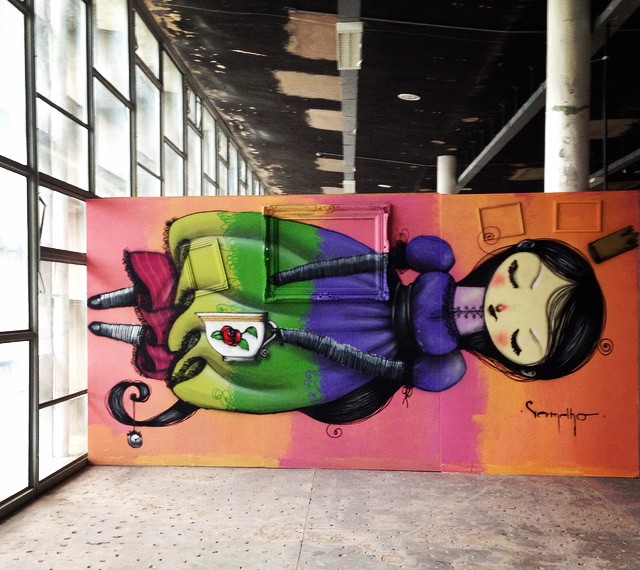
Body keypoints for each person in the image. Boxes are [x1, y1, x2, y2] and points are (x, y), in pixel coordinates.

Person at [88, 211, 605, 426]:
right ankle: (128, 299)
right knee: (236, 272)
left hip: (350, 354)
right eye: (519, 281)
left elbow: (406, 371)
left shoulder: (443, 365)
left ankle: (133, 330)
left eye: (524, 336)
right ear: (518, 252)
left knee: (240, 344)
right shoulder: (436, 263)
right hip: (350, 283)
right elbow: (377, 261)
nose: (502, 309)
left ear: (525, 364)